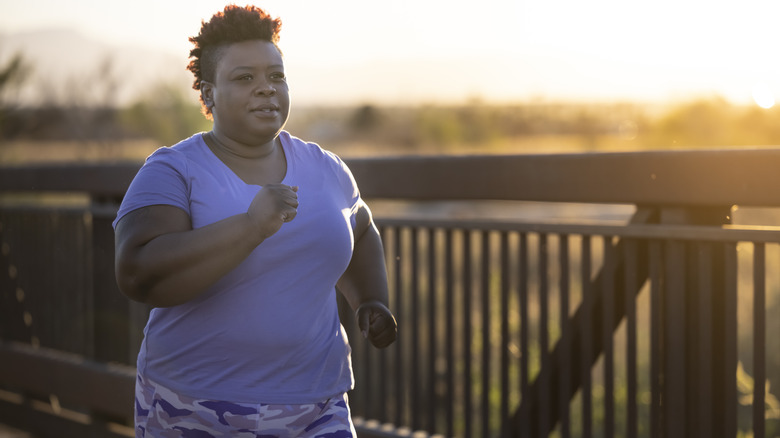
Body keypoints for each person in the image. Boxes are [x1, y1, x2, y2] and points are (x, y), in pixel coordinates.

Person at [113, 5, 397, 437]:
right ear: (207, 94)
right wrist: (250, 227)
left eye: (276, 76)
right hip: (194, 405)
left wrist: (371, 300)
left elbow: (359, 228)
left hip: (316, 405)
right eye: (245, 78)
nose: (266, 89)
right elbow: (136, 273)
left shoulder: (326, 168)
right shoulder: (172, 170)